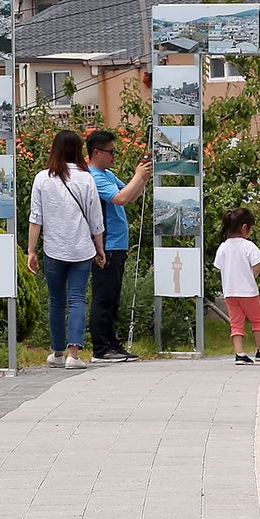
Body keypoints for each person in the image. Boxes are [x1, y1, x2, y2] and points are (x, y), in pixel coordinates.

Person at [27, 130, 106, 371]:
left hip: (54, 249)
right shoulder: (87, 178)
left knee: (56, 301)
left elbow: (36, 218)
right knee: (77, 299)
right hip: (82, 249)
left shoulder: (42, 178)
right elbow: (95, 218)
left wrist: (31, 250)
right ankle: (74, 355)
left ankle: (57, 353)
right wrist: (100, 248)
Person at [85, 129, 150, 363]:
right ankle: (101, 348)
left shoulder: (108, 174)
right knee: (103, 298)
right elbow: (119, 198)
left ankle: (112, 343)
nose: (114, 156)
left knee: (113, 298)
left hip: (117, 245)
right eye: (111, 152)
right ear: (96, 152)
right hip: (106, 245)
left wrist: (142, 177)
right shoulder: (93, 177)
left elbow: (130, 196)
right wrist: (137, 175)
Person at [214, 207, 260, 365]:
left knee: (236, 323)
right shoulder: (248, 246)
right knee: (257, 321)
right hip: (248, 292)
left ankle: (239, 354)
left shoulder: (223, 247)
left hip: (230, 292)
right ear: (244, 227)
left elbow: (219, 267)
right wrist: (251, 277)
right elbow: (257, 267)